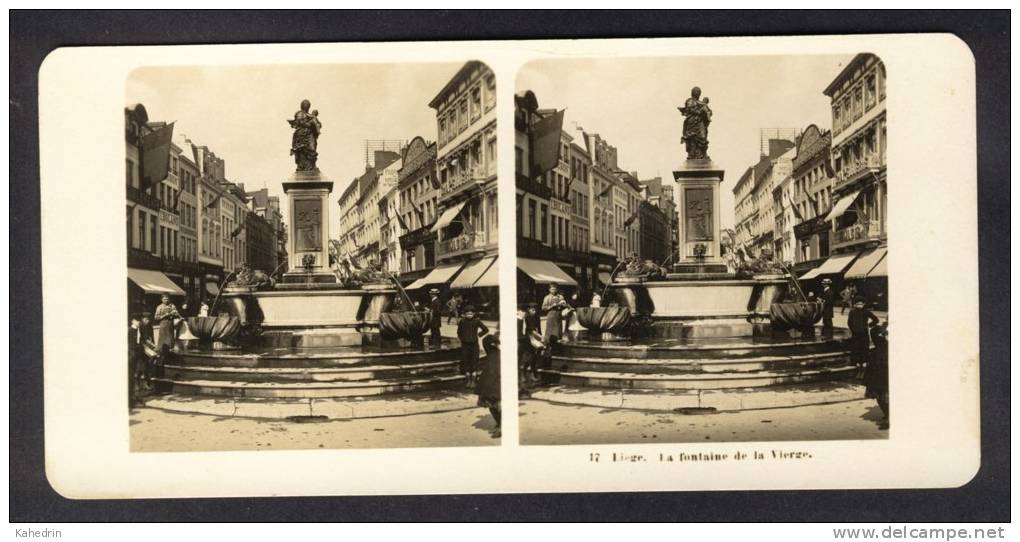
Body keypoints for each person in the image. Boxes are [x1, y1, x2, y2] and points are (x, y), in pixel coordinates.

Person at [456, 306, 489, 388]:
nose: (469, 315)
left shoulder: (477, 321)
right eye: (467, 314)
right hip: (465, 345)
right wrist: (462, 338)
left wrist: (479, 334)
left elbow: (485, 329)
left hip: (474, 345)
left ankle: (473, 381)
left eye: (471, 314)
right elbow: (459, 332)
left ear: (473, 314)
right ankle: (468, 381)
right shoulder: (462, 322)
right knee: (466, 361)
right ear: (465, 314)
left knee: (474, 362)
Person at [475, 334, 501, 438]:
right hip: (490, 386)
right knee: (493, 407)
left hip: (496, 386)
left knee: (496, 407)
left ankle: (501, 427)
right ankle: (500, 424)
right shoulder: (492, 354)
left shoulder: (497, 356)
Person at [847, 297, 880, 377]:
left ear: (864, 304)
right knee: (856, 349)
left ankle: (864, 368)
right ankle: (857, 368)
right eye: (858, 304)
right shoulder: (852, 311)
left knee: (864, 349)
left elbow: (876, 319)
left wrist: (869, 325)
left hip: (864, 334)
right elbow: (849, 322)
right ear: (855, 304)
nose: (859, 305)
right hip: (855, 335)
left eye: (861, 304)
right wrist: (853, 329)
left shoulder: (866, 311)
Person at [864, 321, 889, 428]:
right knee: (881, 392)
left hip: (883, 361)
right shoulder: (880, 329)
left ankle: (889, 417)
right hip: (880, 362)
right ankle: (888, 415)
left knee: (883, 393)